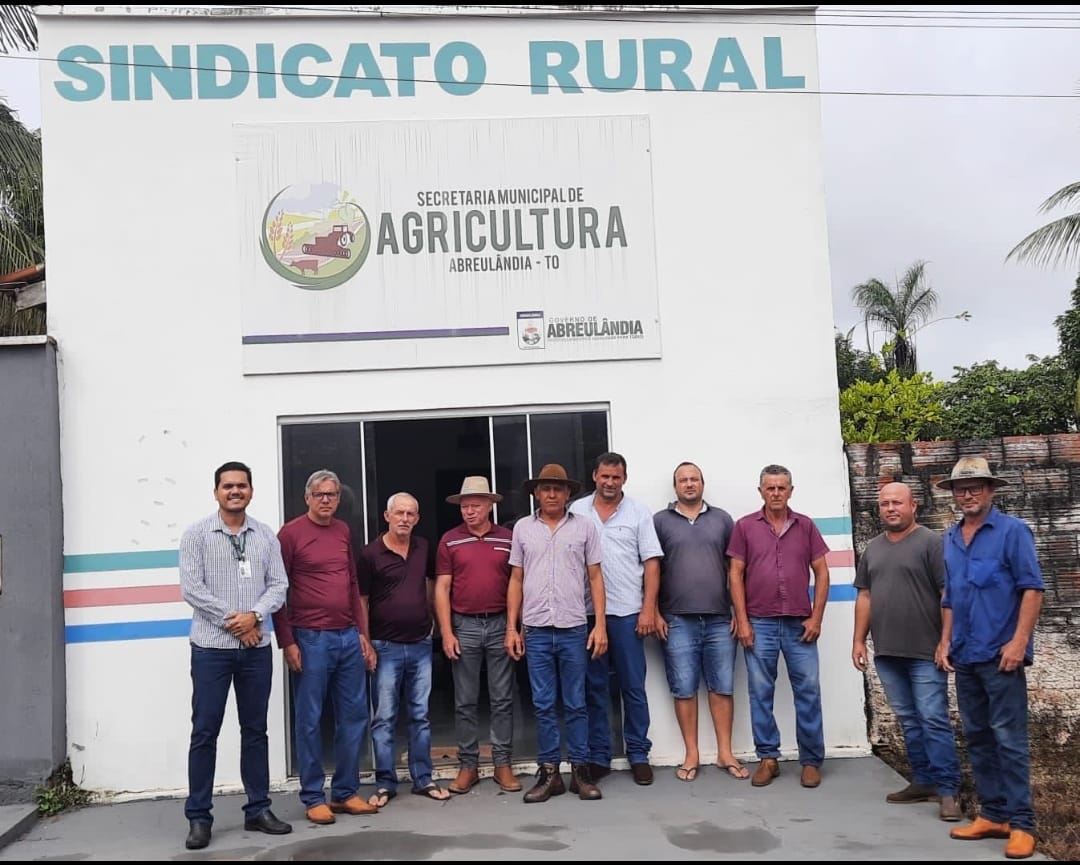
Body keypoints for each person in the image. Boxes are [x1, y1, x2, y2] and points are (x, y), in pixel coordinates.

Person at [177, 460, 292, 851]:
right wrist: (236, 623)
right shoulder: (197, 535)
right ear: (216, 492)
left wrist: (255, 617)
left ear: (251, 491)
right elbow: (192, 589)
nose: (235, 491)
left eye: (242, 485)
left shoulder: (265, 537)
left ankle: (258, 808)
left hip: (256, 652)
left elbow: (279, 585)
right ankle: (199, 818)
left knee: (255, 731)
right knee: (205, 732)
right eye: (228, 486)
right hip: (211, 649)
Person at [936, 456, 1045, 860]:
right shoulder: (950, 537)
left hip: (1001, 656)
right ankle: (994, 815)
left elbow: (1032, 589)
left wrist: (1019, 643)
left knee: (1009, 740)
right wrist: (945, 641)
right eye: (961, 488)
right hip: (965, 653)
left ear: (991, 490)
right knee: (978, 737)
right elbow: (950, 595)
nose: (968, 494)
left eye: (976, 486)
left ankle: (1021, 824)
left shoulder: (1013, 531)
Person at [273, 469, 379, 826]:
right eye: (319, 494)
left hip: (347, 636)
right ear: (307, 497)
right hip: (310, 638)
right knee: (310, 719)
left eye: (332, 494)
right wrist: (287, 641)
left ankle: (346, 792)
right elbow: (277, 592)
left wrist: (362, 633)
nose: (326, 500)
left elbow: (351, 583)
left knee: (354, 716)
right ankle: (313, 796)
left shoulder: (343, 531)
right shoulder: (289, 534)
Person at [851, 481, 962, 821]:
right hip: (887, 653)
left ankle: (949, 791)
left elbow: (949, 595)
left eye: (897, 502)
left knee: (933, 719)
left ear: (913, 505)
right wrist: (858, 640)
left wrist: (946, 641)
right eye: (884, 503)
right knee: (910, 721)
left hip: (926, 652)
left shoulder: (931, 543)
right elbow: (865, 596)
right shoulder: (873, 548)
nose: (890, 508)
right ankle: (924, 781)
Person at [505, 463, 609, 803]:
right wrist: (512, 628)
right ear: (536, 492)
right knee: (544, 704)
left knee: (577, 703)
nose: (551, 493)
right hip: (535, 629)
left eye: (558, 488)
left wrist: (601, 626)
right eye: (545, 488)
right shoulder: (522, 528)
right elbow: (516, 579)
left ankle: (580, 772)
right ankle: (549, 773)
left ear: (568, 493)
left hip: (573, 628)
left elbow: (595, 577)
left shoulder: (584, 528)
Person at [728, 463, 830, 790]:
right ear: (761, 491)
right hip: (759, 622)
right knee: (760, 692)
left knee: (809, 692)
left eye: (781, 487)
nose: (775, 493)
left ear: (791, 491)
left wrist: (816, 617)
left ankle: (811, 761)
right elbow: (735, 575)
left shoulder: (806, 526)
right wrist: (742, 621)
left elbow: (823, 573)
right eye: (769, 488)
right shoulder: (745, 527)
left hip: (800, 623)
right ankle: (768, 758)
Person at [568, 452, 663, 786]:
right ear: (595, 475)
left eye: (616, 477)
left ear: (624, 479)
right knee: (593, 688)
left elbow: (652, 562)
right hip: (586, 613)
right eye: (604, 476)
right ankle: (598, 756)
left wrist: (649, 608)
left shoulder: (638, 513)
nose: (610, 483)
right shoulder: (576, 511)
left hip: (627, 613)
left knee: (633, 686)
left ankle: (638, 754)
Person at [653, 461, 748, 783]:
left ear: (703, 483)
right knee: (684, 689)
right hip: (677, 619)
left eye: (694, 479)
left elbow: (735, 569)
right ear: (675, 486)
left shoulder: (722, 520)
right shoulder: (659, 522)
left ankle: (725, 752)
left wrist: (739, 612)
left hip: (721, 620)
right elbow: (651, 570)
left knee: (722, 686)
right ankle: (691, 754)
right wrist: (652, 611)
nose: (689, 484)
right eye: (683, 480)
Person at [359, 492, 450, 807]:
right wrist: (366, 641)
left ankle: (423, 778)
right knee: (384, 718)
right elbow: (362, 601)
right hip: (385, 647)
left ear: (417, 518)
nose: (405, 519)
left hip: (421, 645)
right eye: (399, 513)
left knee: (420, 716)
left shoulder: (424, 547)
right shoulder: (370, 554)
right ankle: (385, 783)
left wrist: (431, 622)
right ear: (387, 516)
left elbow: (429, 586)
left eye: (411, 514)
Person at [434, 476, 522, 795]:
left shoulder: (509, 538)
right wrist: (446, 632)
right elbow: (442, 588)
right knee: (465, 701)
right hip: (465, 626)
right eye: (465, 506)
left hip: (500, 624)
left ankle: (502, 764)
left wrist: (514, 627)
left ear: (489, 506)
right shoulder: (449, 540)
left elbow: (517, 584)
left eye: (475, 505)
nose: (469, 511)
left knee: (502, 698)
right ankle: (467, 766)